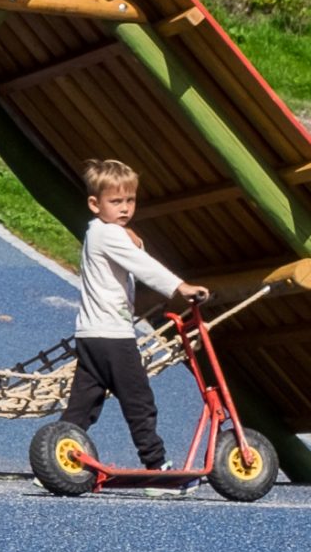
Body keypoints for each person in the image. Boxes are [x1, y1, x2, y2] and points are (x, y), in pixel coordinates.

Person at [66, 159, 208, 469]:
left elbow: (129, 258)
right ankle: (155, 465)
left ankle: (56, 457)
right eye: (115, 201)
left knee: (83, 406)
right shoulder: (110, 235)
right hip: (113, 337)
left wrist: (136, 241)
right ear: (95, 204)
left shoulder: (98, 232)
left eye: (130, 200)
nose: (125, 208)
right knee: (139, 401)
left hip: (91, 335)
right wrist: (180, 287)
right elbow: (142, 266)